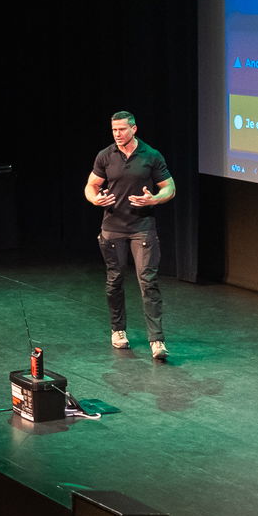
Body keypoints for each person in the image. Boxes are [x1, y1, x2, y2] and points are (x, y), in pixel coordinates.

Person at [83, 111, 174, 360]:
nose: (117, 134)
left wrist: (154, 199)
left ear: (134, 129)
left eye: (122, 129)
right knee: (115, 280)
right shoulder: (105, 155)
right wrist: (95, 199)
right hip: (112, 227)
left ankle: (157, 340)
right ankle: (118, 330)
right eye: (114, 130)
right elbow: (91, 185)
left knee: (148, 282)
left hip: (142, 227)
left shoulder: (151, 155)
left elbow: (170, 187)